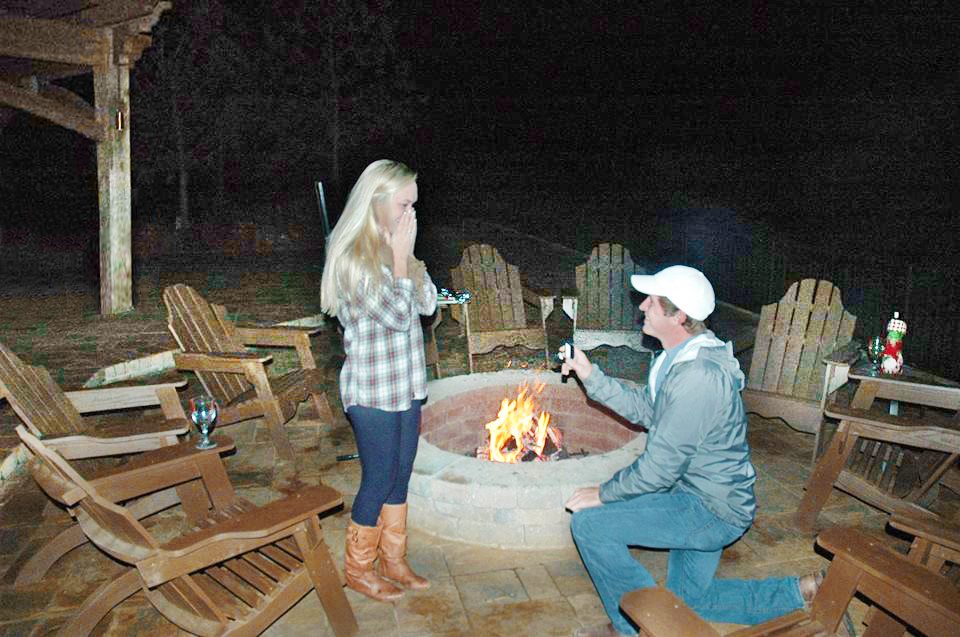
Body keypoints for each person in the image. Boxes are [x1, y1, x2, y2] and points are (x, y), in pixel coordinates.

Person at [561, 265, 822, 637]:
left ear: (678, 316)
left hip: (711, 507)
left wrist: (603, 494)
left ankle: (632, 628)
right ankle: (798, 594)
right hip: (698, 495)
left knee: (591, 525)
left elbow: (658, 470)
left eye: (652, 302)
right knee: (692, 601)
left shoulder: (698, 376)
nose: (642, 307)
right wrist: (591, 377)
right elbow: (648, 411)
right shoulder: (677, 357)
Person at [320, 159, 437, 602]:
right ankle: (358, 569)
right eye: (405, 204)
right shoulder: (353, 255)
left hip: (405, 384)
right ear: (379, 199)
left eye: (414, 206)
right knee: (378, 478)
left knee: (400, 476)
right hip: (371, 390)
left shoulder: (397, 249)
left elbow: (426, 305)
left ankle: (393, 559)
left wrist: (406, 257)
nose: (411, 214)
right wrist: (401, 262)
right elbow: (397, 315)